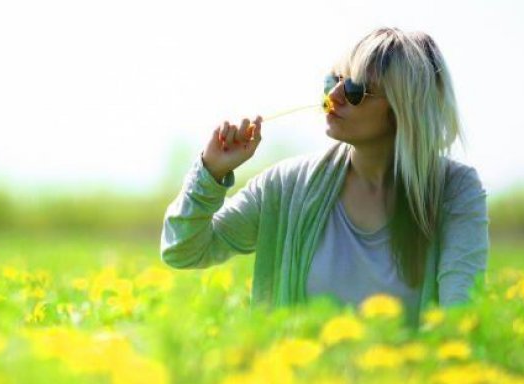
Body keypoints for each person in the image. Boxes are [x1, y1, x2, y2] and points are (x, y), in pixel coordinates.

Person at [160, 27, 488, 328]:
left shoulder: (454, 191)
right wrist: (210, 172)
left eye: (357, 89)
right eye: (334, 80)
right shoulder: (286, 186)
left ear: (404, 109)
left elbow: (458, 321)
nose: (335, 97)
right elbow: (184, 251)